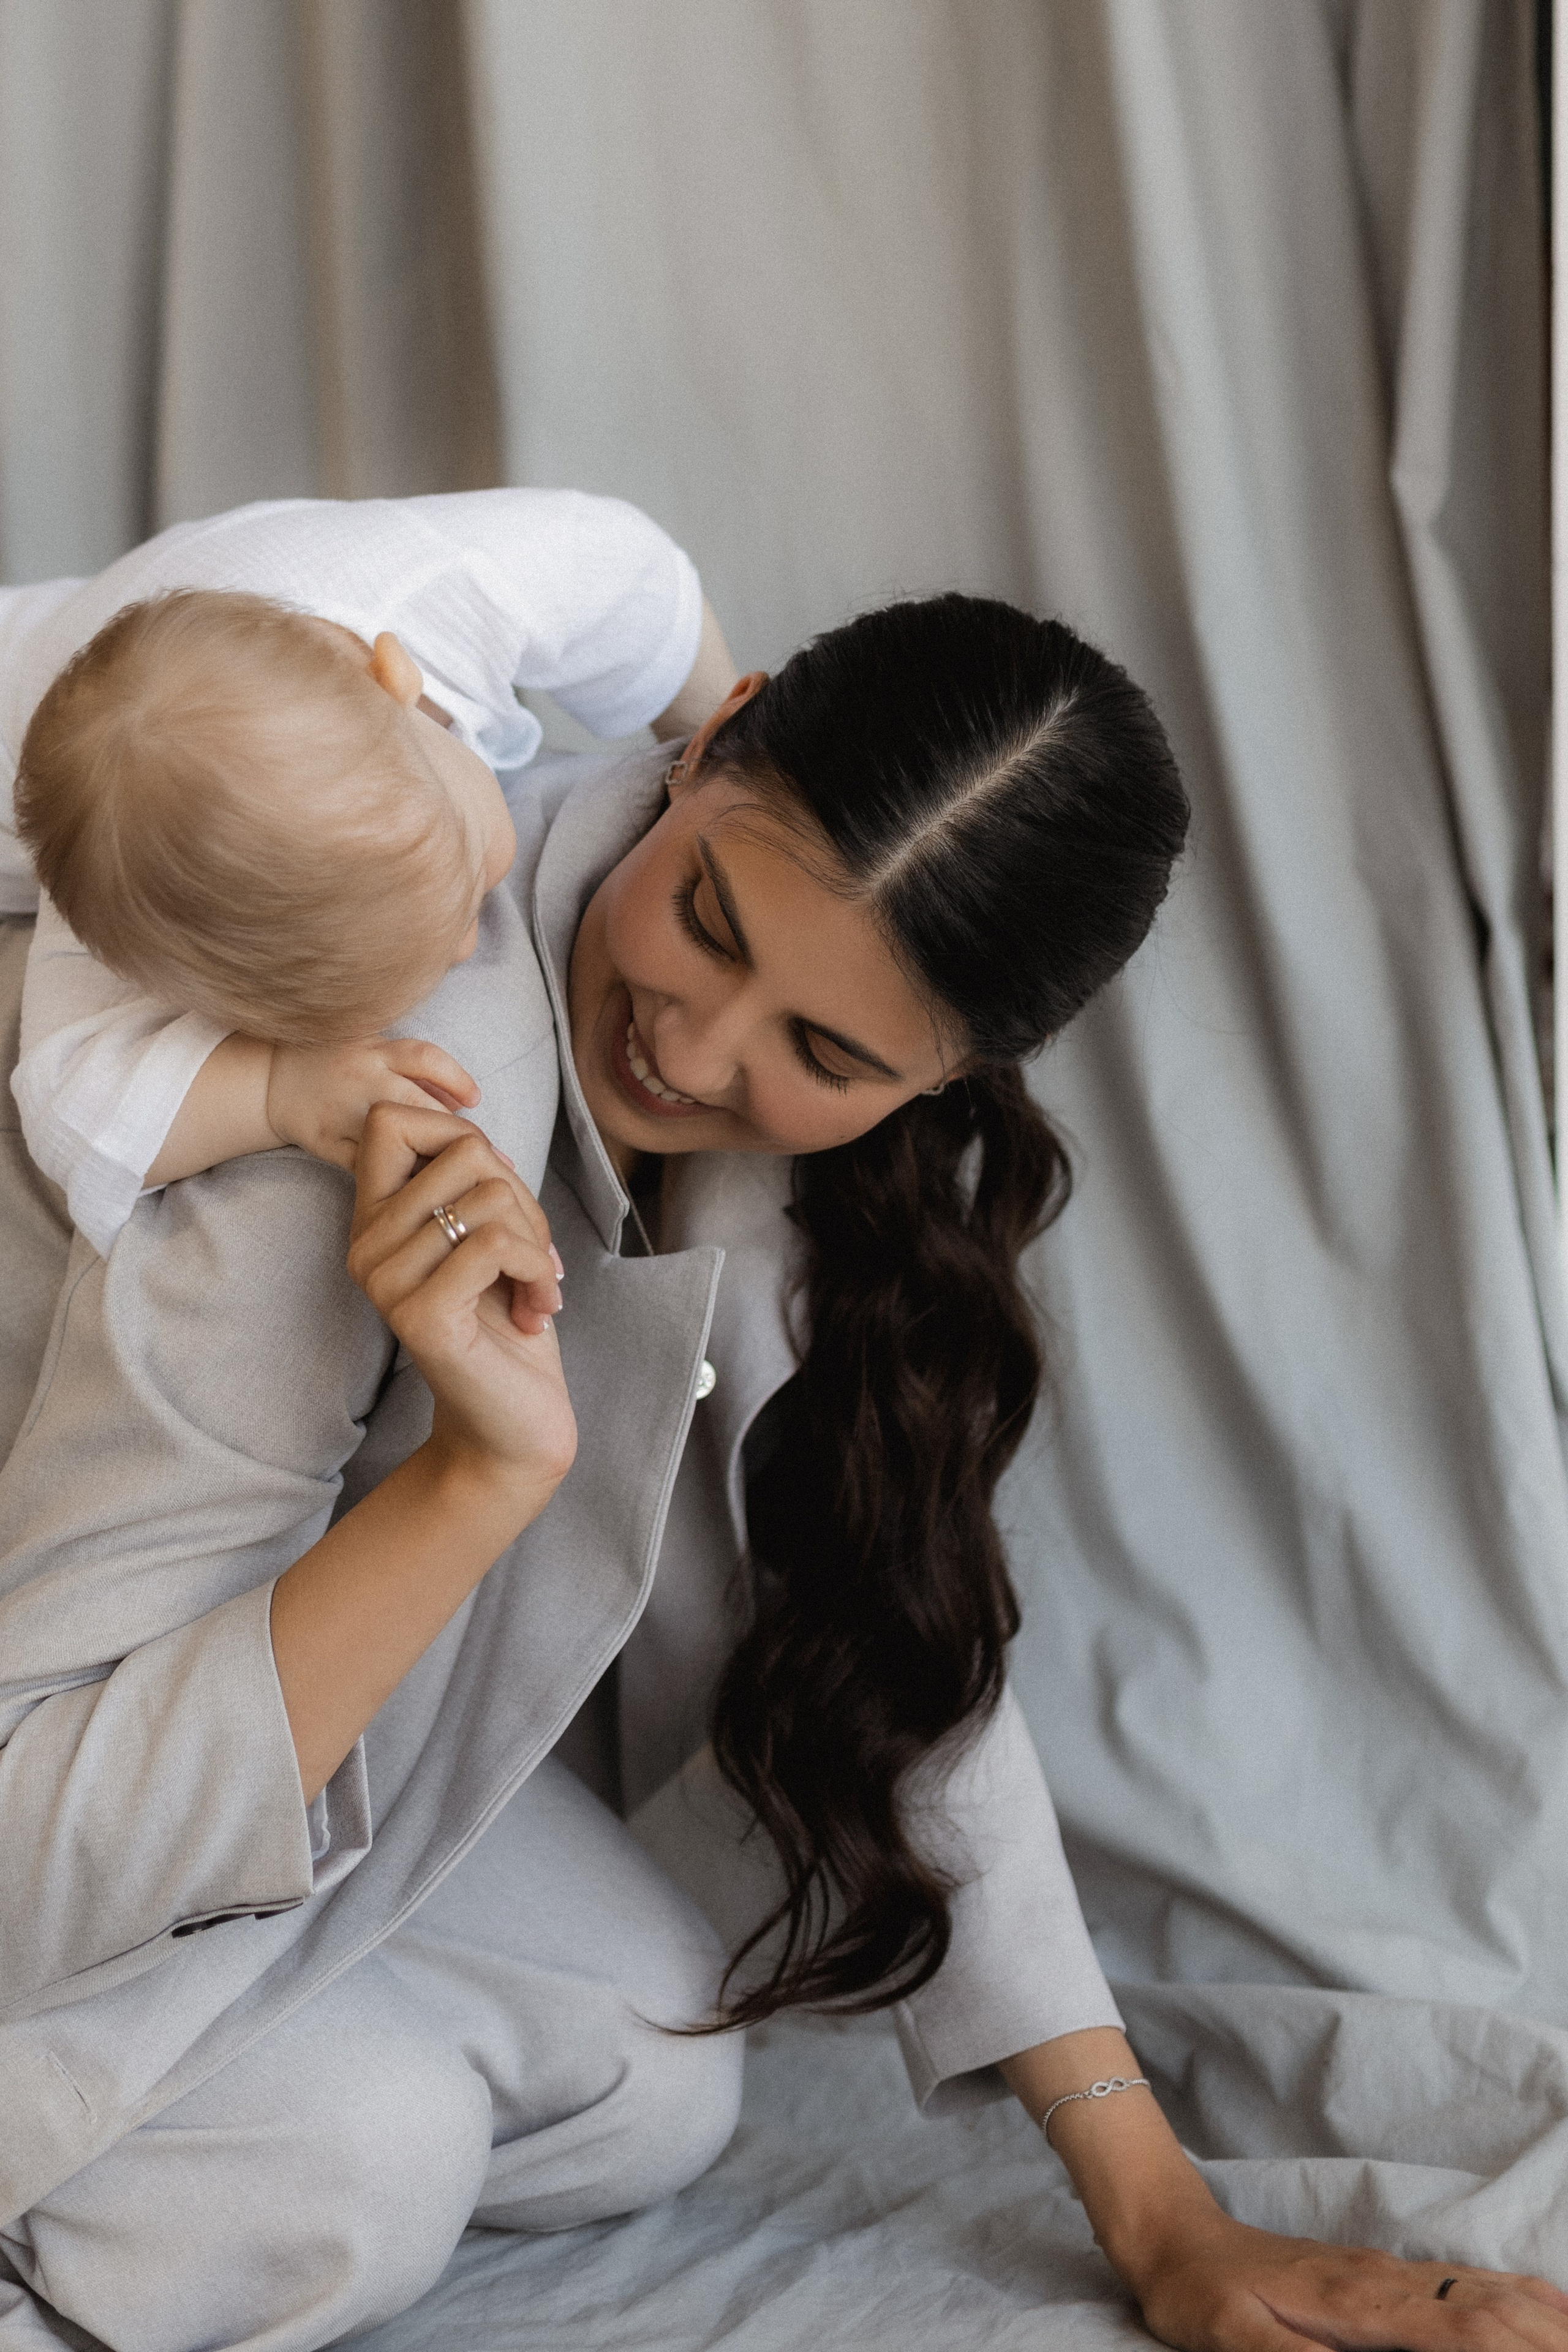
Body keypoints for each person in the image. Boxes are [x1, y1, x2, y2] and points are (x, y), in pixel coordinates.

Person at [0, 551, 1562, 2352]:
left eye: (821, 1045)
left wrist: (1162, 2215)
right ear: (708, 736)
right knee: (359, 2165)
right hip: (45, 1775)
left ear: (949, 1072)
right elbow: (31, 1837)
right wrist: (472, 1483)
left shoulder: (763, 1130)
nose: (691, 1045)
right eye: (711, 920)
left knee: (654, 2055)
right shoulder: (365, 1086)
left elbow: (891, 1604)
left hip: (246, 1738)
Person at [0, 487, 737, 1257]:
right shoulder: (132, 877)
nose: (468, 944)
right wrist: (274, 1088)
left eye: (464, 884)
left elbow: (630, 575)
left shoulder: (442, 588)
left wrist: (721, 760)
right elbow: (72, 1114)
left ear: (389, 672)